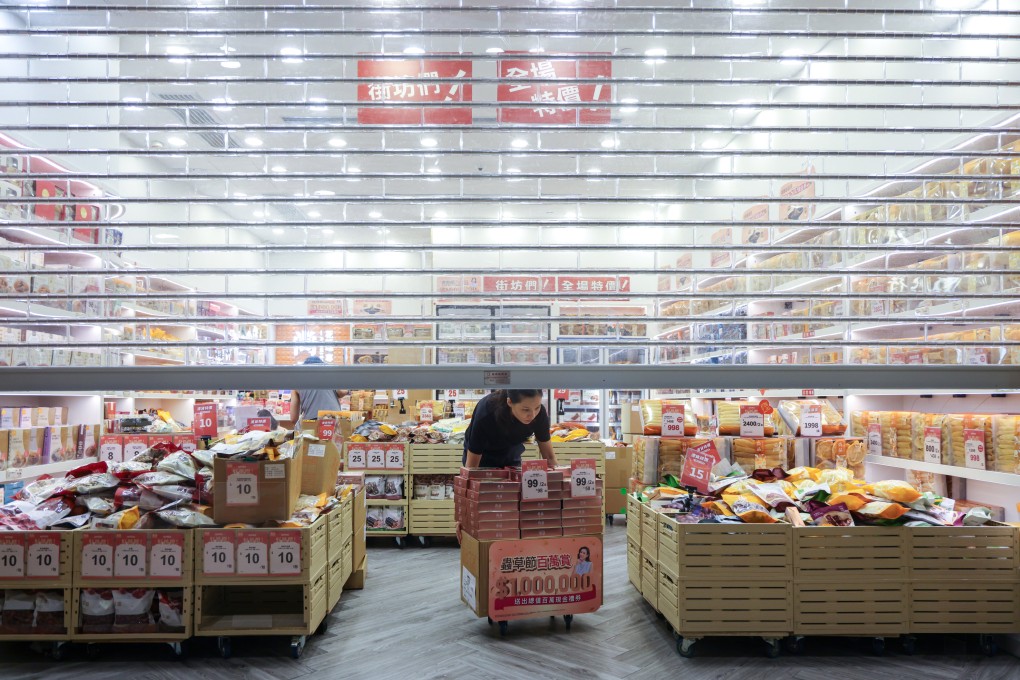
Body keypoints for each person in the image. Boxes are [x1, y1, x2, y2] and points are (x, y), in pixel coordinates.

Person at [462, 389, 558, 469]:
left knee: (514, 481)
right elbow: (471, 467)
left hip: (511, 452)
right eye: (525, 410)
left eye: (537, 408)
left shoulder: (540, 415)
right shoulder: (486, 414)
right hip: (483, 455)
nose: (532, 415)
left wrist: (560, 481)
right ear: (510, 402)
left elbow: (549, 457)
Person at [289, 355, 350, 422]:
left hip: (311, 422)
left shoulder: (297, 382)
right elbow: (342, 392)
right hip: (332, 419)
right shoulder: (329, 376)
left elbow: (293, 418)